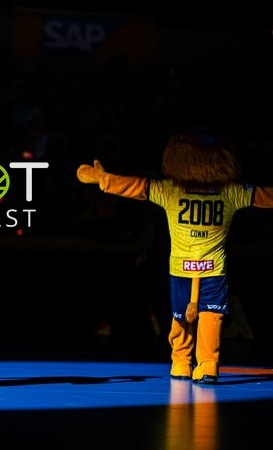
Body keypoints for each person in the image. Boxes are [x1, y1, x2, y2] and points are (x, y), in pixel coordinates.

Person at [76, 130, 273, 383]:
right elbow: (265, 196)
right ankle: (206, 364)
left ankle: (183, 361)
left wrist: (105, 180)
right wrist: (105, 179)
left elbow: (137, 187)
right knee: (209, 317)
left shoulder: (170, 190)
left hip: (183, 268)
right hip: (211, 269)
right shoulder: (231, 192)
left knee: (182, 317)